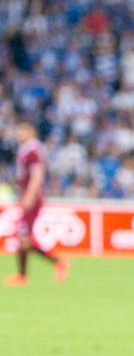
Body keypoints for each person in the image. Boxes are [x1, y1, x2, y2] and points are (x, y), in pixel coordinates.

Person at [6, 122, 67, 287]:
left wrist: (29, 196)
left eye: (22, 130)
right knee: (23, 239)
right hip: (28, 197)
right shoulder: (26, 150)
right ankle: (25, 274)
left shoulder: (33, 150)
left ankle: (54, 262)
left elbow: (37, 175)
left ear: (31, 131)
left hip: (32, 199)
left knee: (23, 238)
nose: (19, 134)